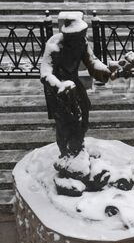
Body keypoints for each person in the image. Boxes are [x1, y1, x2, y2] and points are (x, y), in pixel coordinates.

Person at [40, 12, 114, 161]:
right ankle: (66, 154)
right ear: (68, 36)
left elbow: (92, 61)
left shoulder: (81, 42)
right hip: (59, 90)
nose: (81, 37)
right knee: (64, 124)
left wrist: (106, 70)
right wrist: (59, 86)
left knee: (84, 115)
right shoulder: (54, 46)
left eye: (82, 33)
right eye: (78, 34)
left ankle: (78, 147)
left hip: (75, 85)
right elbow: (45, 73)